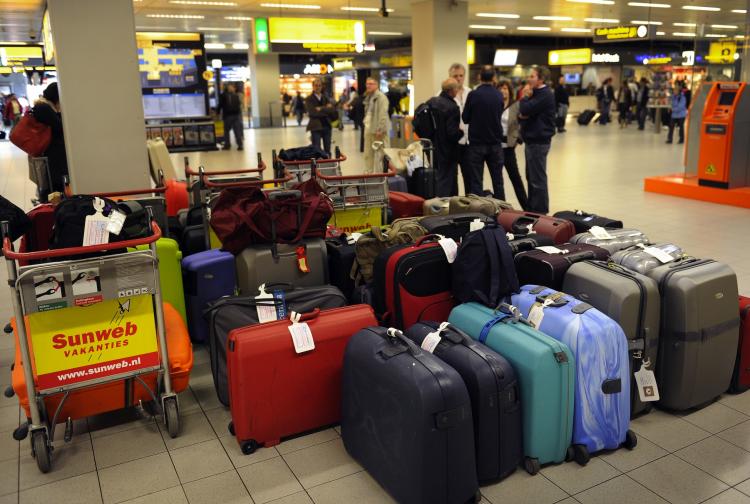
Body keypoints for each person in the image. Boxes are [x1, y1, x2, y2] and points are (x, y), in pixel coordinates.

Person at [462, 65, 505, 198]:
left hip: (476, 145)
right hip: (495, 144)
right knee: (498, 181)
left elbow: (465, 118)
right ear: (493, 78)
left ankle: (478, 211)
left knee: (476, 181)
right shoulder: (499, 95)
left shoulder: (473, 95)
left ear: (480, 77)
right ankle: (502, 209)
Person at [519, 66, 556, 214]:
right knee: (531, 176)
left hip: (539, 142)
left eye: (532, 76)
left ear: (540, 79)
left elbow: (524, 109)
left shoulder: (544, 94)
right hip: (532, 141)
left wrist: (525, 97)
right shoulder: (537, 93)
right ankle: (533, 208)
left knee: (537, 178)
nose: (529, 79)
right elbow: (523, 113)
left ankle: (540, 211)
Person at [426, 78, 463, 196]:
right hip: (448, 151)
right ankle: (444, 207)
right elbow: (452, 134)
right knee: (446, 181)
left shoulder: (431, 102)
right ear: (451, 91)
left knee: (439, 177)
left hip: (433, 148)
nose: (458, 90)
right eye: (457, 88)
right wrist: (461, 132)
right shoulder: (452, 107)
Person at [33, 83, 68, 201]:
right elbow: (59, 126)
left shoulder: (45, 106)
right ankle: (50, 207)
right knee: (53, 183)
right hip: (51, 152)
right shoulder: (43, 107)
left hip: (51, 151)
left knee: (52, 181)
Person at [497, 80, 529, 209]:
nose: (503, 91)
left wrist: (518, 139)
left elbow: (523, 124)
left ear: (509, 90)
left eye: (505, 88)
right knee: (498, 181)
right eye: (501, 88)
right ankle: (502, 208)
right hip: (496, 148)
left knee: (515, 178)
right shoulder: (495, 104)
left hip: (509, 148)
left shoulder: (516, 105)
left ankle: (527, 207)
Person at [447, 63, 473, 195]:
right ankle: (454, 205)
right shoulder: (442, 95)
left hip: (468, 142)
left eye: (461, 75)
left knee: (469, 176)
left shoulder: (471, 93)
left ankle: (470, 204)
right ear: (450, 77)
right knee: (452, 178)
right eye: (455, 76)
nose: (458, 78)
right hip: (453, 142)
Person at [363, 77, 390, 170]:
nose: (368, 86)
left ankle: (383, 174)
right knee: (368, 154)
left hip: (378, 131)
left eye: (371, 84)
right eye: (367, 84)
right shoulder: (368, 97)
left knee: (382, 155)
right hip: (369, 129)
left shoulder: (381, 97)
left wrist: (380, 129)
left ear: (376, 85)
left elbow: (383, 114)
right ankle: (368, 174)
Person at [305, 78, 336, 156]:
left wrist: (321, 109)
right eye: (316, 85)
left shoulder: (326, 98)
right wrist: (326, 109)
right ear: (313, 86)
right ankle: (317, 167)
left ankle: (328, 164)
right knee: (316, 149)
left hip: (327, 126)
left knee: (328, 149)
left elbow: (332, 110)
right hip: (315, 126)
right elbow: (312, 113)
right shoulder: (309, 99)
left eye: (319, 85)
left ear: (322, 87)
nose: (318, 87)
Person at [217, 83, 244, 150]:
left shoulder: (224, 95)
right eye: (231, 87)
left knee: (229, 131)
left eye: (232, 87)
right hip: (233, 116)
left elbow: (220, 105)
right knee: (235, 130)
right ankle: (238, 145)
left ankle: (229, 145)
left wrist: (217, 112)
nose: (232, 88)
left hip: (230, 116)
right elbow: (221, 105)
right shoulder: (235, 95)